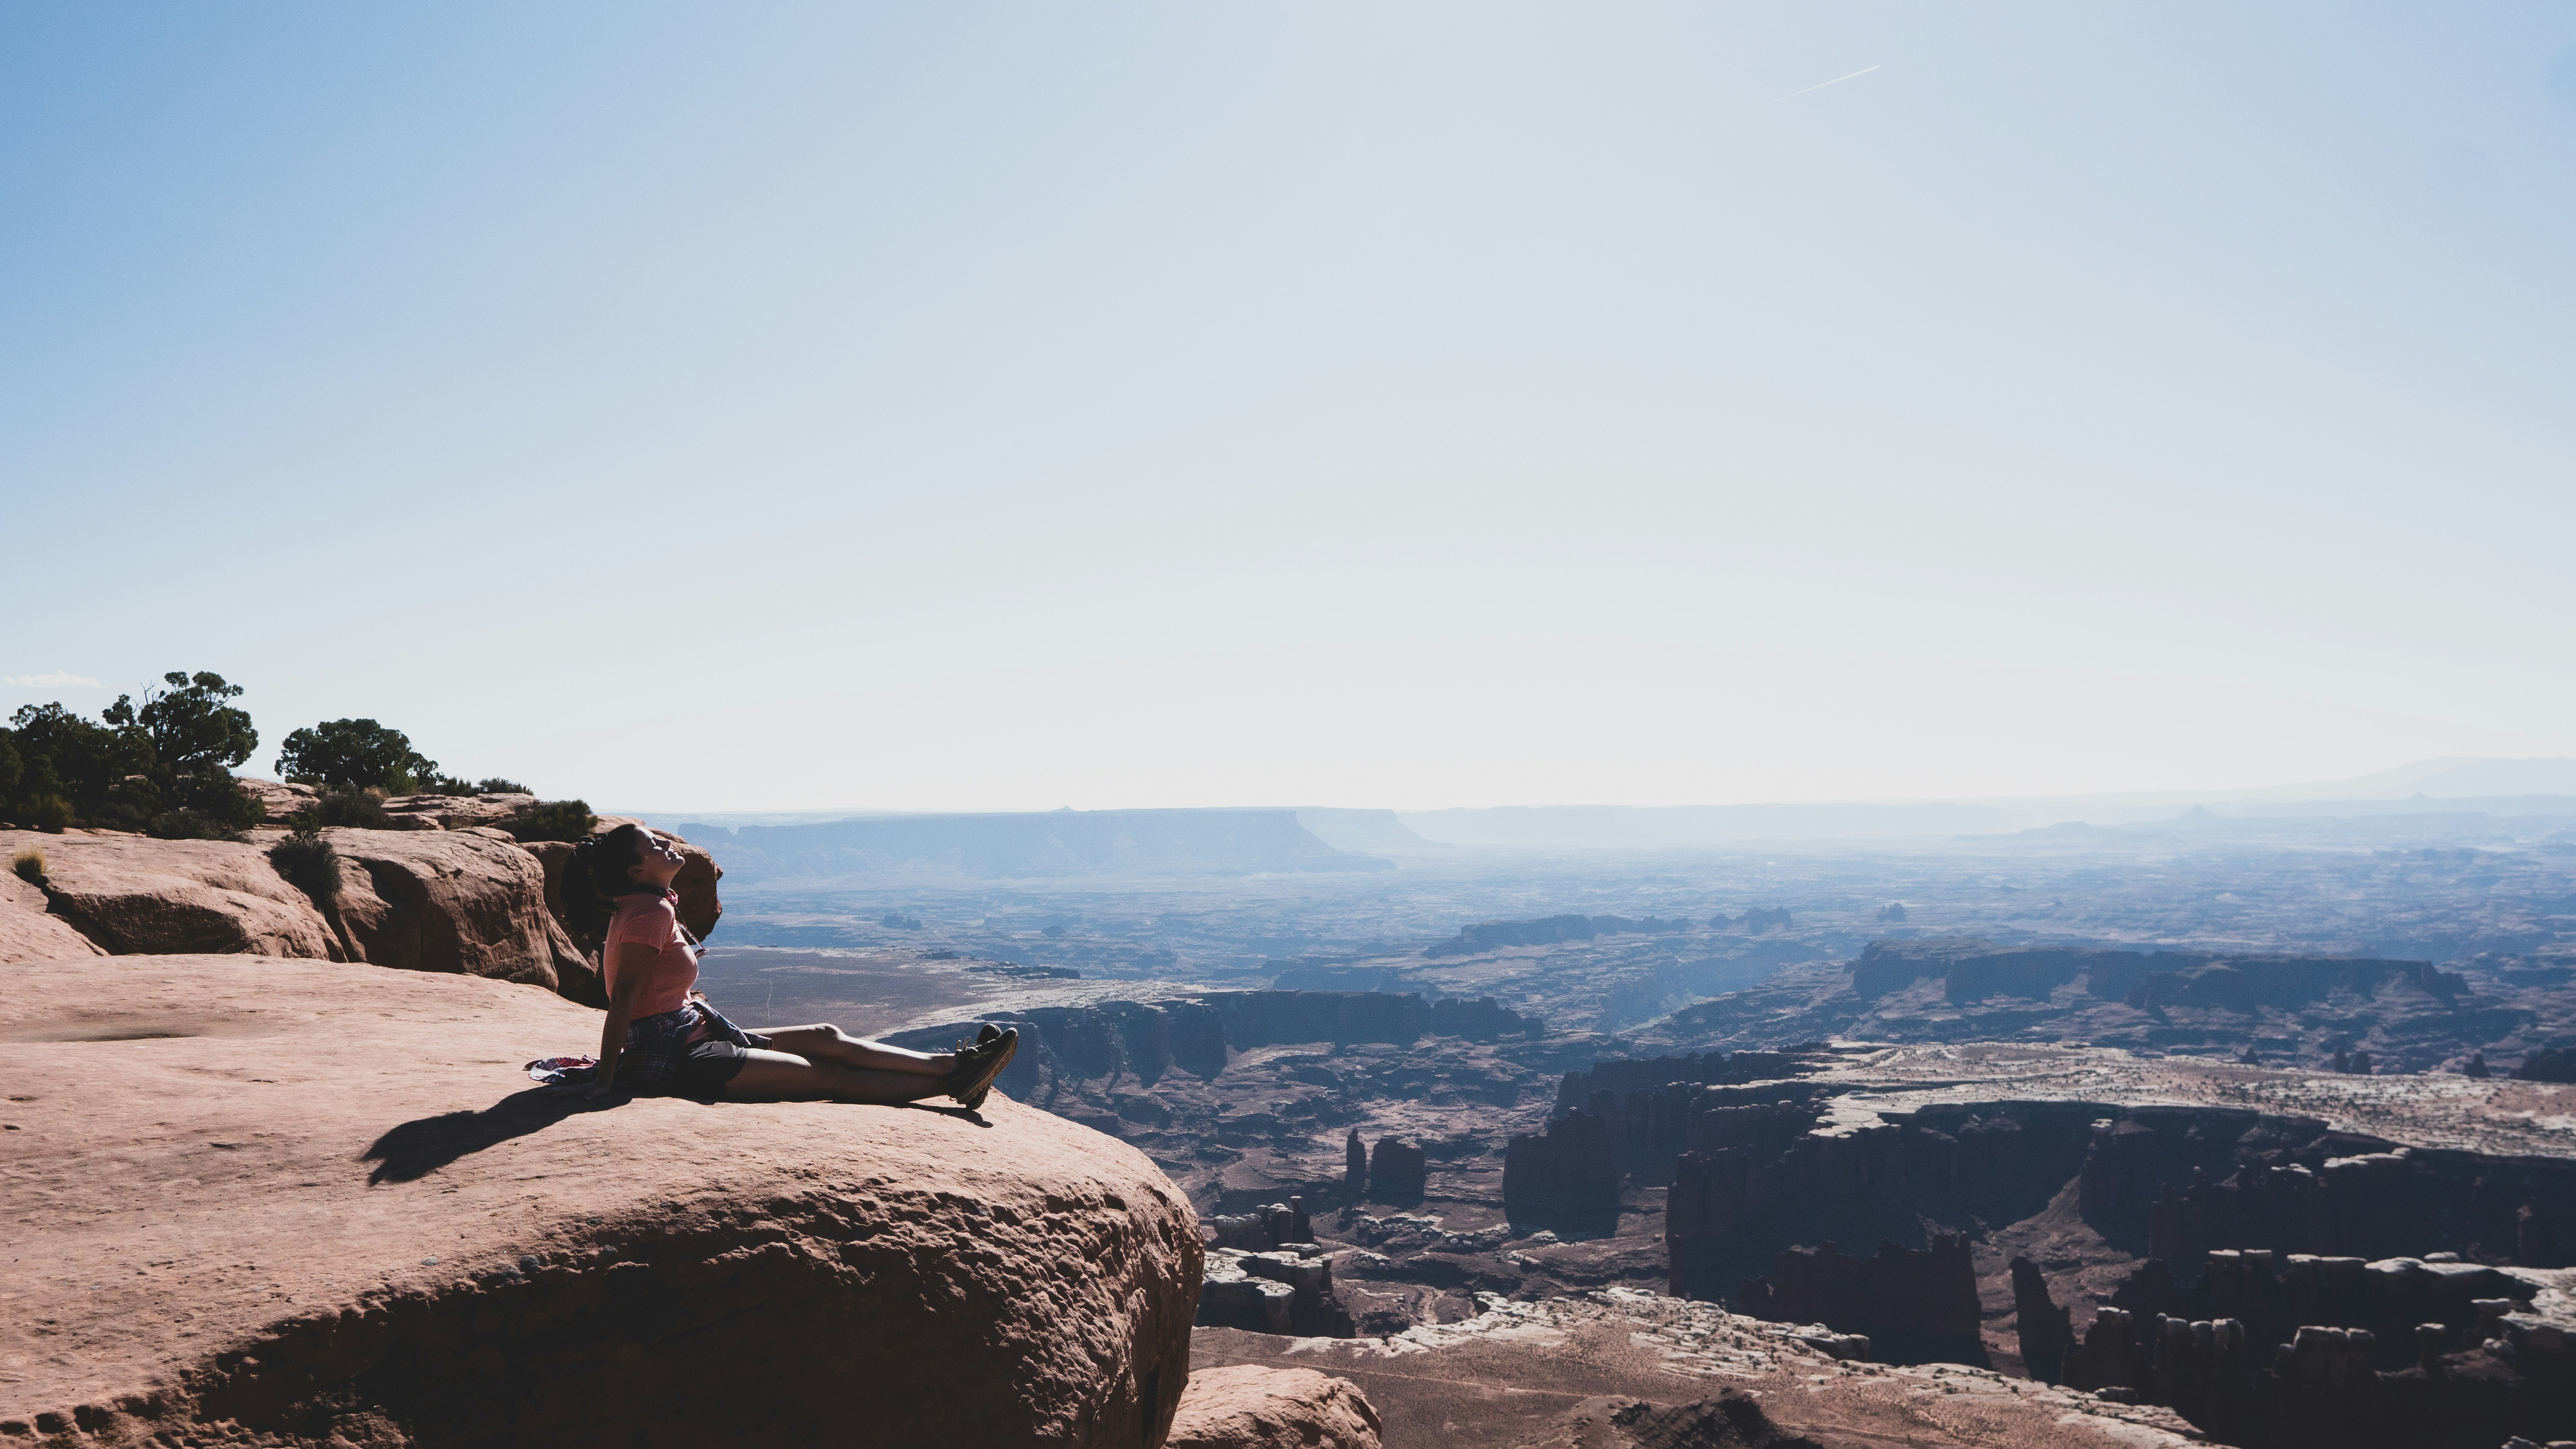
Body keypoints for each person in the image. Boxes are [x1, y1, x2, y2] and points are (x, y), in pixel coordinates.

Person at [557, 823, 1016, 1106]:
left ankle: (955, 1065)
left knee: (825, 1036)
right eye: (653, 846)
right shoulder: (648, 913)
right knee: (826, 1077)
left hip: (691, 1032)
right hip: (679, 1056)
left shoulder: (647, 902)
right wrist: (606, 1078)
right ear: (637, 871)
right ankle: (955, 1084)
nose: (666, 845)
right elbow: (622, 1002)